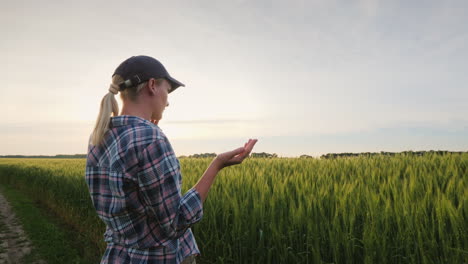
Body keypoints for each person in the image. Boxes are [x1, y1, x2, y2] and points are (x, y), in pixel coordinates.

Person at [85, 55, 258, 264]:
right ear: (151, 86)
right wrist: (216, 165)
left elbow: (131, 204)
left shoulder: (99, 137)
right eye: (167, 90)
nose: (168, 101)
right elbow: (176, 222)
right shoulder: (150, 139)